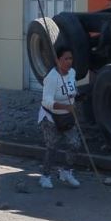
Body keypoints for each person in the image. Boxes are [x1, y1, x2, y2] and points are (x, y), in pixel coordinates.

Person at [37, 45, 82, 189]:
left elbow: (73, 90)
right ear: (57, 60)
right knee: (52, 147)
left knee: (75, 144)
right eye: (66, 59)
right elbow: (46, 101)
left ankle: (66, 171)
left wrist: (75, 97)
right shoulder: (51, 78)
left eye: (71, 58)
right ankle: (45, 176)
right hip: (50, 118)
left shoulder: (72, 73)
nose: (69, 62)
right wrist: (65, 106)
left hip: (67, 117)